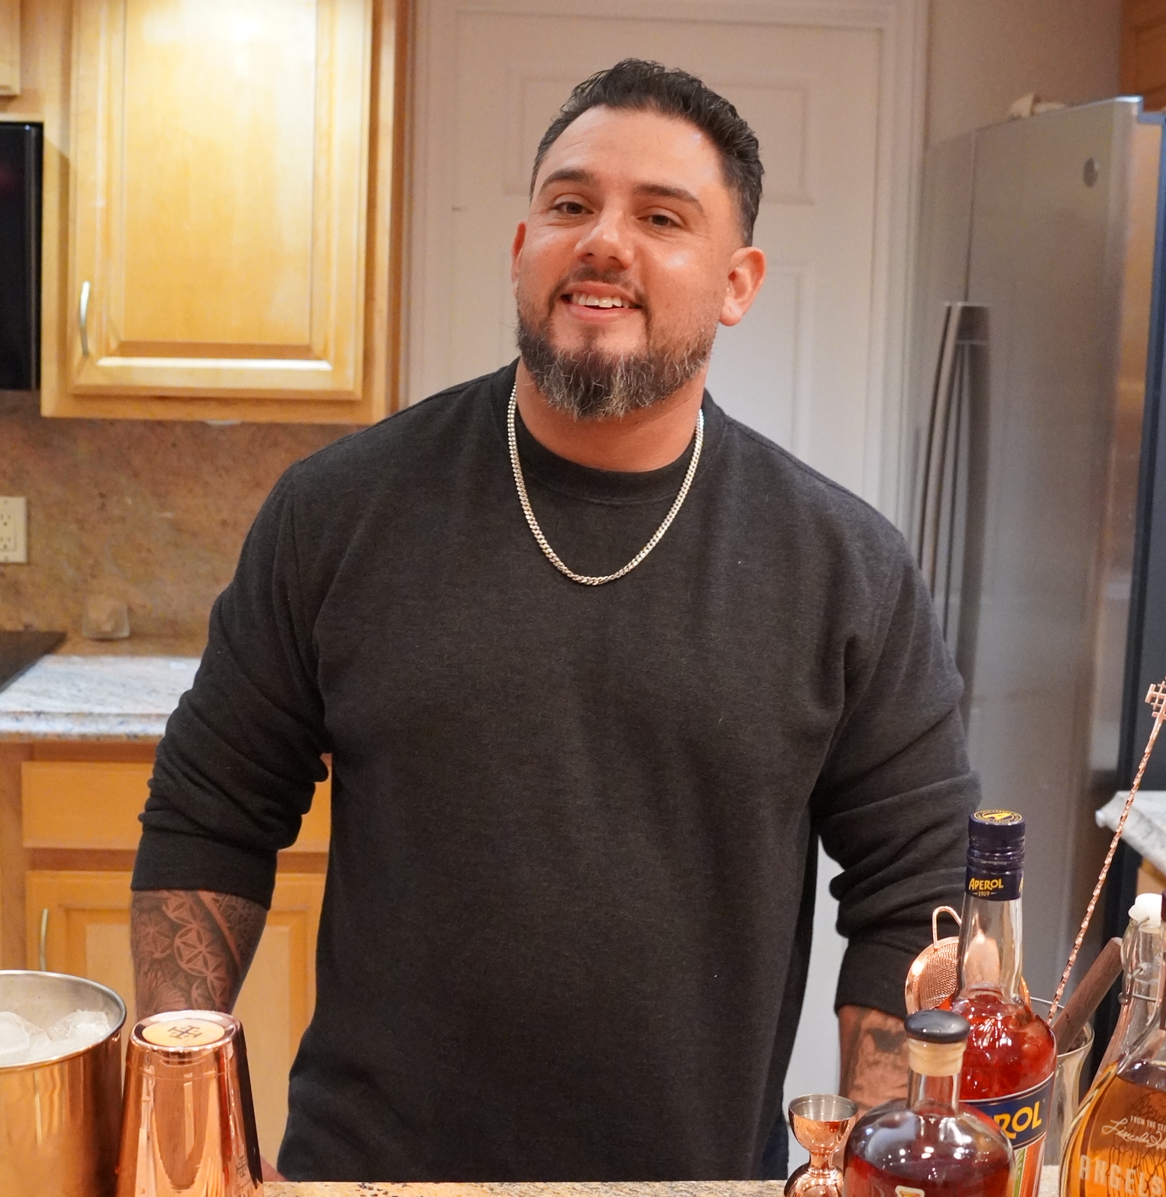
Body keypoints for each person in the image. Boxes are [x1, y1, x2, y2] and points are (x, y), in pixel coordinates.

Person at [130, 60, 975, 1183]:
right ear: (523, 244)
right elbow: (210, 813)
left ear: (737, 282)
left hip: (689, 1178)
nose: (603, 241)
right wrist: (183, 1146)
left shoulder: (844, 567)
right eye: (571, 204)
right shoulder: (337, 512)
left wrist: (875, 1164)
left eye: (661, 217)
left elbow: (916, 890)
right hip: (372, 1174)